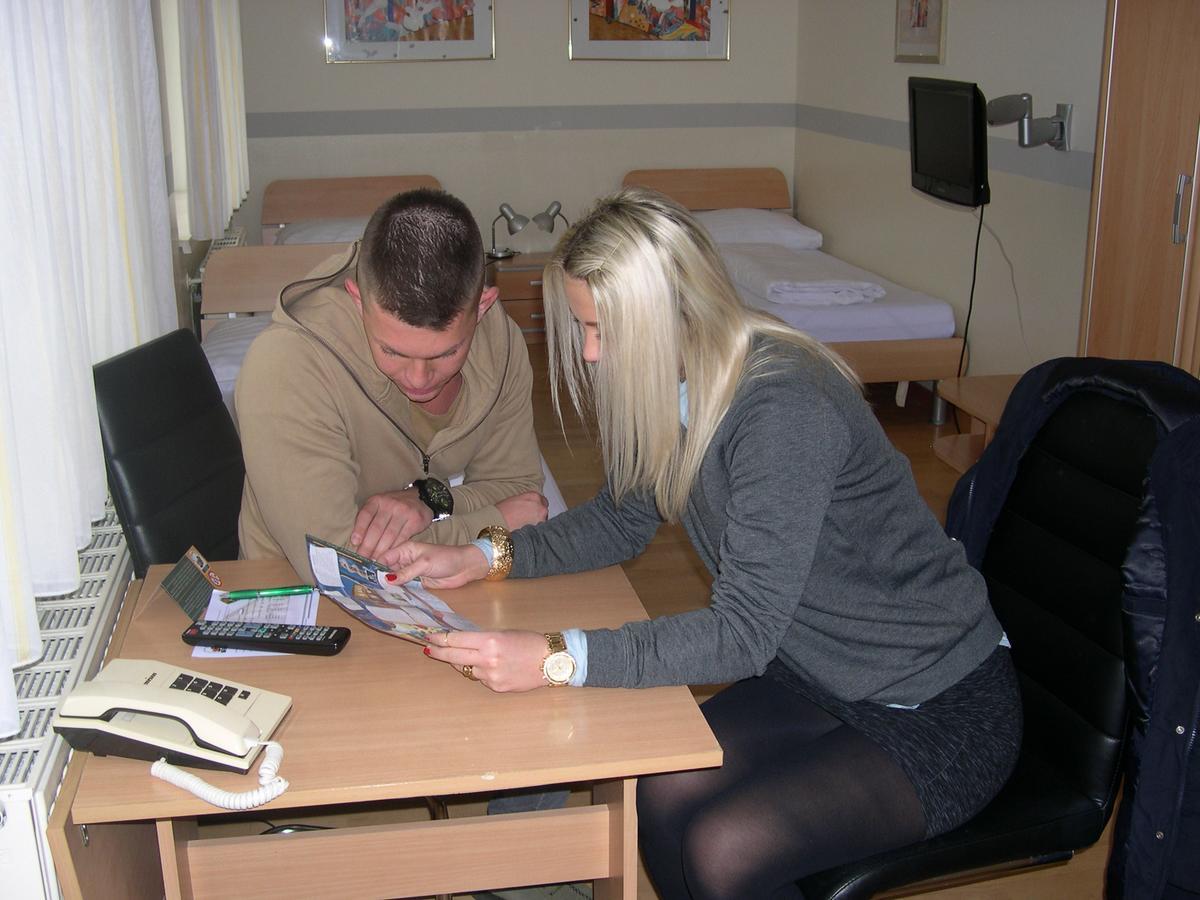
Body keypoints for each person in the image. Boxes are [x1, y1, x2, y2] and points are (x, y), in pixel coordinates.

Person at [381, 186, 1023, 898]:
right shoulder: (669, 382)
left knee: (729, 847)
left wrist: (557, 658)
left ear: (674, 313)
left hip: (938, 698)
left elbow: (742, 634)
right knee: (659, 786)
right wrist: (479, 556)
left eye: (605, 330)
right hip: (819, 669)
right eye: (584, 328)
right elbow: (621, 520)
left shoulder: (783, 406)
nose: (591, 355)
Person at [235, 188, 548, 581]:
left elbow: (517, 485)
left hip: (448, 590)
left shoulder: (501, 345)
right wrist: (494, 522)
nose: (419, 379)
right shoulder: (287, 365)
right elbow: (337, 565)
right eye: (393, 351)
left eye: (445, 353)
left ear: (482, 307)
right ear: (358, 301)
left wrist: (429, 501)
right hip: (299, 603)